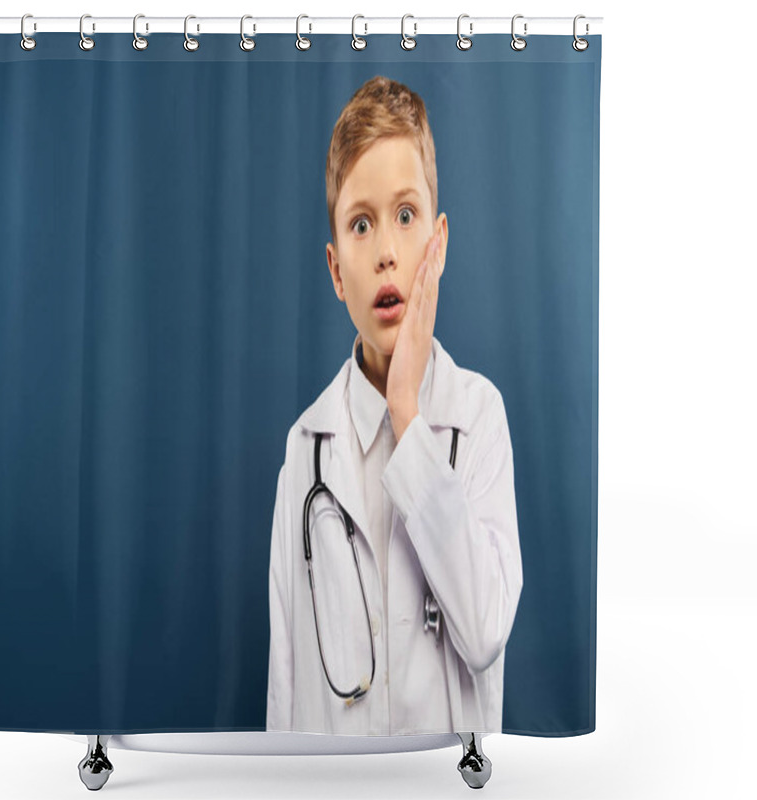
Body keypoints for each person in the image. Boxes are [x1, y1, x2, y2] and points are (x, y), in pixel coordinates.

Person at [266, 75, 523, 736]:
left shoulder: (479, 416)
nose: (385, 252)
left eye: (406, 217)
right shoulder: (307, 449)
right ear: (334, 270)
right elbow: (286, 685)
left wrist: (407, 413)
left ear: (436, 245)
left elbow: (486, 631)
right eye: (361, 224)